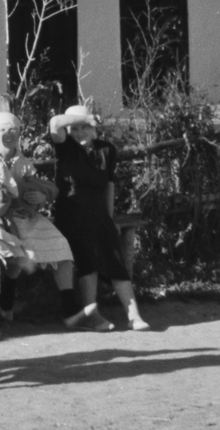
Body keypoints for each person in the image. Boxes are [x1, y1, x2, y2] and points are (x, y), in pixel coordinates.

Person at [48, 104, 149, 331]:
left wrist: (109, 217)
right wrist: (84, 117)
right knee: (88, 259)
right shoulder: (65, 147)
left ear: (94, 130)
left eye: (85, 127)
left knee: (115, 260)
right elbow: (55, 123)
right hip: (71, 214)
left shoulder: (107, 150)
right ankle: (93, 315)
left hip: (98, 213)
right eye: (75, 128)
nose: (80, 133)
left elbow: (109, 186)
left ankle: (134, 315)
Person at [0, 112, 78, 322]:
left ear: (19, 133)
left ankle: (71, 312)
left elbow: (33, 187)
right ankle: (1, 308)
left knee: (61, 246)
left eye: (12, 129)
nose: (8, 133)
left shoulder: (22, 161)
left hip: (23, 216)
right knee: (13, 256)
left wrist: (40, 197)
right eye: (2, 129)